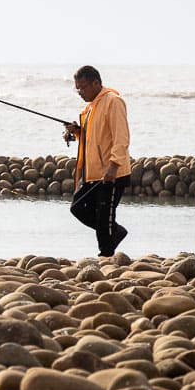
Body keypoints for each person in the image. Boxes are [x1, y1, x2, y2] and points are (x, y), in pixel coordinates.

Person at [63, 65, 131, 256]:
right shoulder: (90, 108)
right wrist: (76, 132)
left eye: (83, 87)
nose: (80, 92)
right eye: (77, 88)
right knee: (78, 207)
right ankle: (115, 232)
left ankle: (106, 254)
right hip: (93, 173)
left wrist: (113, 165)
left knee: (104, 216)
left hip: (111, 172)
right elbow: (93, 137)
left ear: (96, 83)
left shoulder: (113, 102)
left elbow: (122, 137)